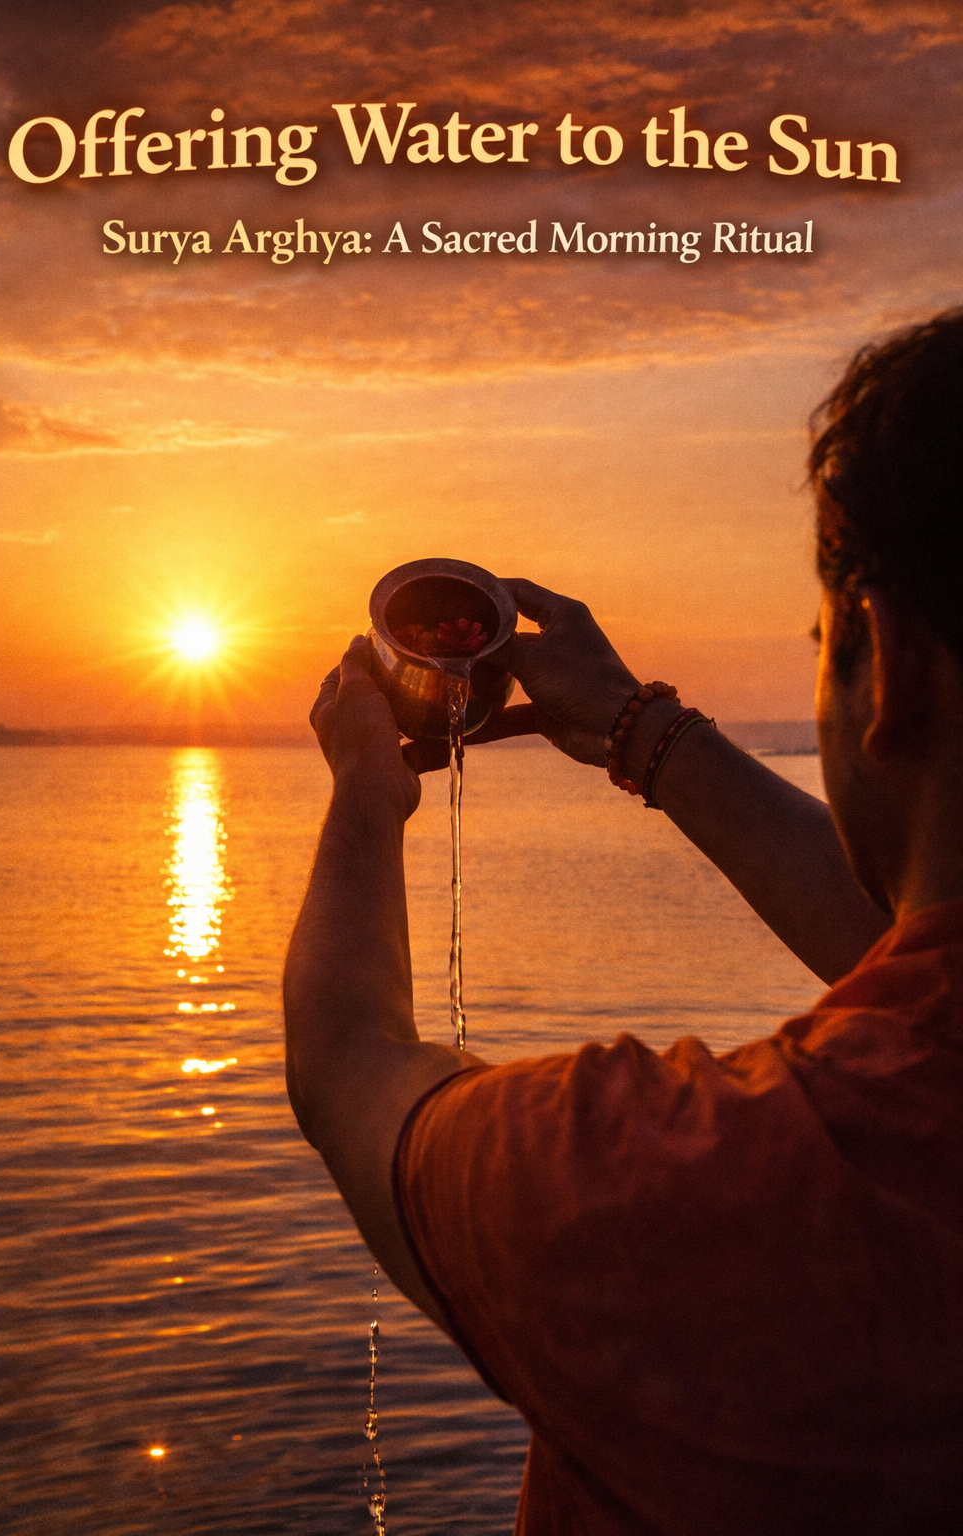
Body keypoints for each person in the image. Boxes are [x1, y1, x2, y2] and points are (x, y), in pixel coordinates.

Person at [283, 309, 963, 1534]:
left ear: (890, 663)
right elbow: (911, 931)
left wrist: (363, 796)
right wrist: (635, 729)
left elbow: (346, 1071)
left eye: (823, 644)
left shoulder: (707, 1190)